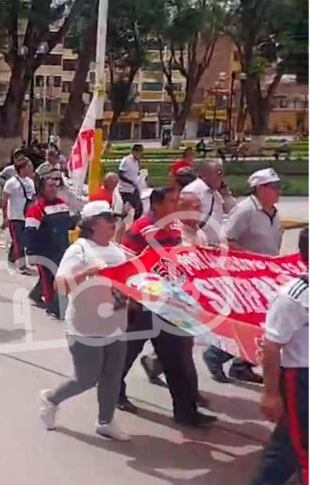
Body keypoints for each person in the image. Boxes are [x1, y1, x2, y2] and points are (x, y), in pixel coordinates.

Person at [119, 186, 216, 427]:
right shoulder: (140, 229)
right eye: (172, 201)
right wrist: (131, 301)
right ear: (156, 205)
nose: (176, 205)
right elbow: (126, 265)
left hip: (168, 305)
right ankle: (113, 392)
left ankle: (186, 412)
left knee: (177, 360)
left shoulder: (174, 229)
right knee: (125, 355)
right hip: (141, 305)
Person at [39, 200, 129, 440]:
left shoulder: (117, 250)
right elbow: (58, 285)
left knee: (112, 377)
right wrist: (87, 272)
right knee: (86, 379)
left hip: (116, 324)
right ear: (92, 224)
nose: (114, 222)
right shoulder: (79, 250)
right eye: (108, 218)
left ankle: (105, 421)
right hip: (86, 327)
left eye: (115, 217)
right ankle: (51, 399)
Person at [202, 168, 283, 384]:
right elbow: (226, 240)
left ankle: (240, 364)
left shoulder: (273, 211)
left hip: (267, 276)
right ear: (259, 189)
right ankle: (216, 355)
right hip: (245, 277)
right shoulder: (245, 210)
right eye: (274, 187)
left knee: (261, 323)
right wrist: (252, 258)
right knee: (253, 323)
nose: (278, 191)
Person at [252, 228, 308, 485]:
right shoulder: (292, 298)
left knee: (288, 444)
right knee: (299, 447)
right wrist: (270, 394)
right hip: (300, 379)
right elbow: (272, 345)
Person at [24, 174, 71, 318]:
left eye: (55, 186)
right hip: (44, 250)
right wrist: (32, 252)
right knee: (49, 277)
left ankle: (35, 294)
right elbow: (30, 232)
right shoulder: (36, 208)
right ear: (42, 189)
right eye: (50, 186)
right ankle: (53, 307)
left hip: (61, 247)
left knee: (57, 275)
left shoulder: (62, 203)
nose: (54, 189)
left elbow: (68, 223)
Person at [181, 159, 236, 246]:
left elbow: (233, 211)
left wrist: (226, 195)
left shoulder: (216, 193)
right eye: (218, 173)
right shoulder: (192, 191)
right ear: (204, 174)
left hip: (214, 245)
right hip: (197, 243)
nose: (221, 177)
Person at [2, 158, 36, 274]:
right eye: (28, 166)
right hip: (15, 216)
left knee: (22, 240)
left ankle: (12, 258)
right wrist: (5, 217)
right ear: (21, 168)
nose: (30, 168)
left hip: (27, 216)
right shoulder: (11, 183)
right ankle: (22, 265)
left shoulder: (30, 182)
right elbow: (5, 200)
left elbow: (33, 199)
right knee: (19, 241)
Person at [117, 144, 144, 220]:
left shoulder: (136, 162)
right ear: (134, 152)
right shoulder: (126, 160)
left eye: (141, 153)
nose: (140, 155)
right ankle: (119, 221)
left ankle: (133, 224)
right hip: (125, 189)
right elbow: (120, 174)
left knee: (139, 208)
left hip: (133, 189)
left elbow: (133, 172)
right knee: (134, 208)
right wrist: (130, 182)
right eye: (138, 153)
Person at [0, 156, 19, 224]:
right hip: (7, 188)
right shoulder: (9, 169)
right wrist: (4, 183)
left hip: (17, 189)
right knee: (3, 202)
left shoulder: (22, 169)